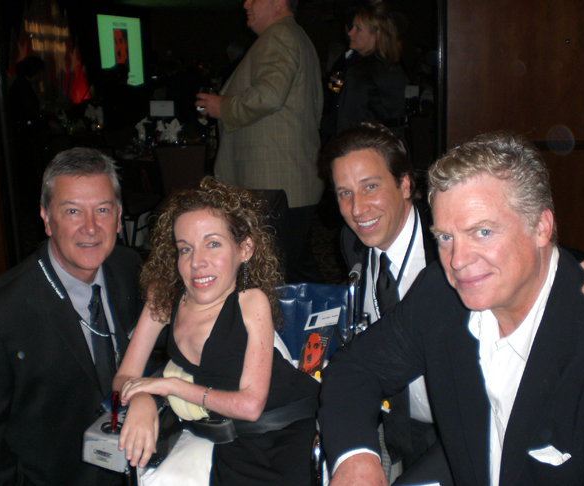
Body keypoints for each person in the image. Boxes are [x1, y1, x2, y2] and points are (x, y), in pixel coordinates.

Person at [319, 132, 584, 486]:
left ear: (541, 226)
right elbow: (355, 368)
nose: (458, 261)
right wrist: (356, 456)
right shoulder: (441, 293)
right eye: (445, 237)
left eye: (482, 232)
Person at [0, 147, 142, 486]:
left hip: (124, 466)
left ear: (119, 214)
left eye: (102, 209)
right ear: (46, 218)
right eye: (72, 211)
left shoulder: (128, 269)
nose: (91, 228)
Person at [114, 177, 320, 485]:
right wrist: (141, 399)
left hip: (283, 427)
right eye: (185, 249)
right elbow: (123, 376)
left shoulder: (252, 303)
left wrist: (169, 386)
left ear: (245, 249)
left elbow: (251, 406)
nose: (197, 262)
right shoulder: (164, 297)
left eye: (213, 244)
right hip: (229, 434)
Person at [323, 121, 445, 483]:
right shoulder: (353, 242)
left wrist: (583, 270)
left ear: (405, 185)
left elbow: (524, 253)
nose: (357, 208)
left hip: (456, 425)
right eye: (344, 193)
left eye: (370, 186)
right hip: (395, 424)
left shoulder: (447, 244)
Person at [195, 0, 323, 283]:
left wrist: (223, 108)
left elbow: (269, 95)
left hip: (274, 185)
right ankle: (324, 324)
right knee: (294, 273)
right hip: (286, 183)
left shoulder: (280, 36)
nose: (245, 3)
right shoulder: (291, 36)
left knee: (274, 279)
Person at [322, 3, 407, 142]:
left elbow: (348, 121)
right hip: (391, 146)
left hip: (364, 146)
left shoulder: (360, 71)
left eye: (358, 29)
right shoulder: (394, 66)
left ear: (376, 34)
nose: (350, 33)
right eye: (351, 27)